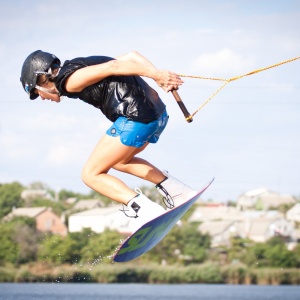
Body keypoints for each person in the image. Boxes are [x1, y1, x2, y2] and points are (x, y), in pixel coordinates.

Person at [20, 50, 197, 228]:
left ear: (43, 79)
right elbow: (132, 57)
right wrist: (157, 76)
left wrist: (157, 75)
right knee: (120, 162)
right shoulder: (78, 66)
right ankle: (178, 191)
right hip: (157, 116)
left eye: (37, 92)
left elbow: (114, 66)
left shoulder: (70, 80)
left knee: (91, 174)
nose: (41, 98)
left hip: (135, 118)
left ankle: (147, 211)